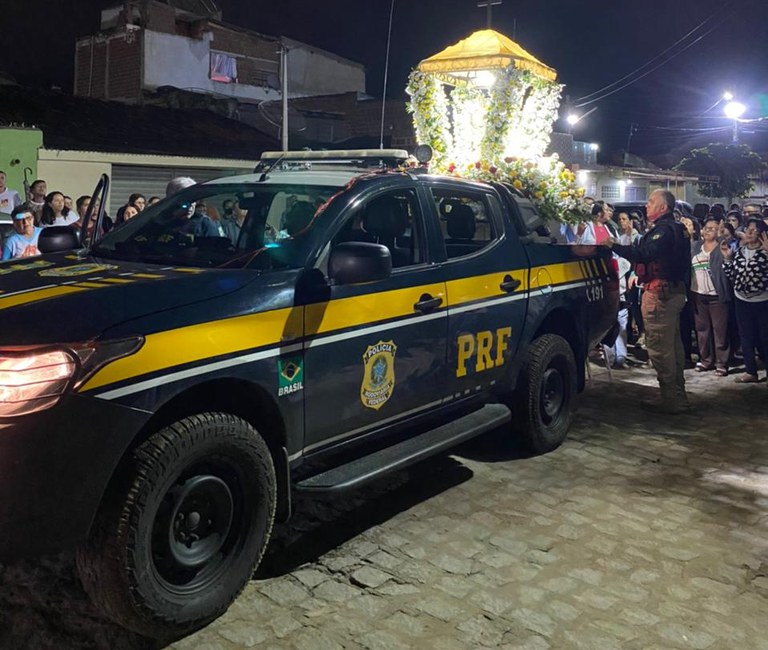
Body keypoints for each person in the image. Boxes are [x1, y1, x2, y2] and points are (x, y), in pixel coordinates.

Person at [605, 189, 692, 413]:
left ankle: (670, 398)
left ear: (663, 207)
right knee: (673, 346)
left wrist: (613, 245)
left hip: (661, 294)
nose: (647, 206)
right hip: (673, 292)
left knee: (660, 348)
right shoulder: (679, 228)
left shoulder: (664, 230)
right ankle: (677, 395)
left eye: (651, 202)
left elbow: (644, 253)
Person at [721, 217, 768, 384]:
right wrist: (727, 260)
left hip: (763, 301)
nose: (749, 232)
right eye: (748, 228)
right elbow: (732, 275)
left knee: (764, 337)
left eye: (754, 230)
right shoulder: (739, 252)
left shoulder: (764, 253)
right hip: (742, 300)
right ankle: (750, 371)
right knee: (746, 336)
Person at [690, 218, 732, 376]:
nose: (708, 231)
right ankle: (705, 359)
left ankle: (721, 362)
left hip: (717, 295)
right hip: (698, 294)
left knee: (720, 330)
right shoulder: (695, 247)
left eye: (712, 229)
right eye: (706, 228)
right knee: (702, 329)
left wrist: (721, 237)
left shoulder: (721, 247)